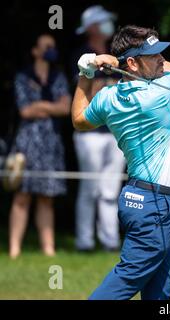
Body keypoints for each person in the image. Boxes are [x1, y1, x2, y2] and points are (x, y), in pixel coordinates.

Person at [72, 25, 170, 300]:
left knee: (160, 289)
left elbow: (78, 119)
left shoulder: (109, 98)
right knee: (126, 279)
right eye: (153, 55)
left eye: (160, 53)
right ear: (132, 63)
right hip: (155, 205)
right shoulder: (161, 93)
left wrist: (87, 72)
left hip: (143, 199)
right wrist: (116, 61)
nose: (160, 59)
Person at [9, 33, 71, 258]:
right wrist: (51, 105)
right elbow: (25, 111)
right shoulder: (23, 77)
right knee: (22, 195)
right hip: (26, 142)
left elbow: (66, 109)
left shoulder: (58, 77)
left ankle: (48, 249)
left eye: (52, 46)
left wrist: (40, 106)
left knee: (47, 196)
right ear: (35, 51)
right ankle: (14, 249)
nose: (50, 49)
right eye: (45, 46)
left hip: (51, 143)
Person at [72, 5, 125, 252]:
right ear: (92, 26)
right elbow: (86, 92)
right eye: (103, 22)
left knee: (111, 189)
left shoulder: (117, 54)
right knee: (89, 188)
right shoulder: (83, 55)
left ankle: (110, 240)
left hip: (116, 132)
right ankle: (84, 241)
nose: (108, 26)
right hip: (89, 133)